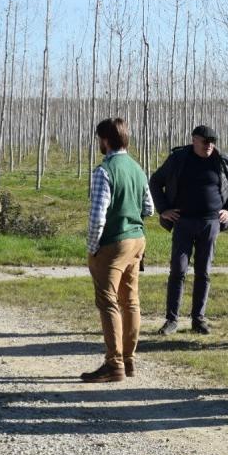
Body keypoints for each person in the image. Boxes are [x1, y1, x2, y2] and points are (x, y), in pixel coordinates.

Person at [148, 124, 228, 336]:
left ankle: (198, 319)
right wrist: (163, 209)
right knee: (178, 270)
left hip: (210, 223)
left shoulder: (222, 160)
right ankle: (171, 320)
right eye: (205, 142)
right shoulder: (178, 159)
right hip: (183, 222)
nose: (209, 146)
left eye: (212, 142)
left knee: (204, 272)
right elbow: (155, 181)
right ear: (194, 140)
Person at [81, 117, 155, 383]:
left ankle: (114, 364)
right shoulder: (137, 168)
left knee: (108, 301)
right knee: (130, 300)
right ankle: (129, 359)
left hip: (114, 241)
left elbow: (97, 216)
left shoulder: (104, 170)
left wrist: (92, 248)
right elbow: (149, 208)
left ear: (105, 140)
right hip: (138, 239)